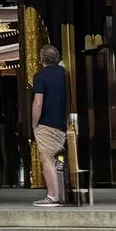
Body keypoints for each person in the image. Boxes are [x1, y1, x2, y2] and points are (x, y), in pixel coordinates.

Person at [30, 43, 73, 207]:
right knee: (59, 159)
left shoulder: (40, 76)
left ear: (41, 59)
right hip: (62, 123)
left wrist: (34, 123)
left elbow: (38, 103)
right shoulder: (64, 73)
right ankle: (61, 193)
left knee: (47, 158)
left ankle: (52, 195)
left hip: (46, 123)